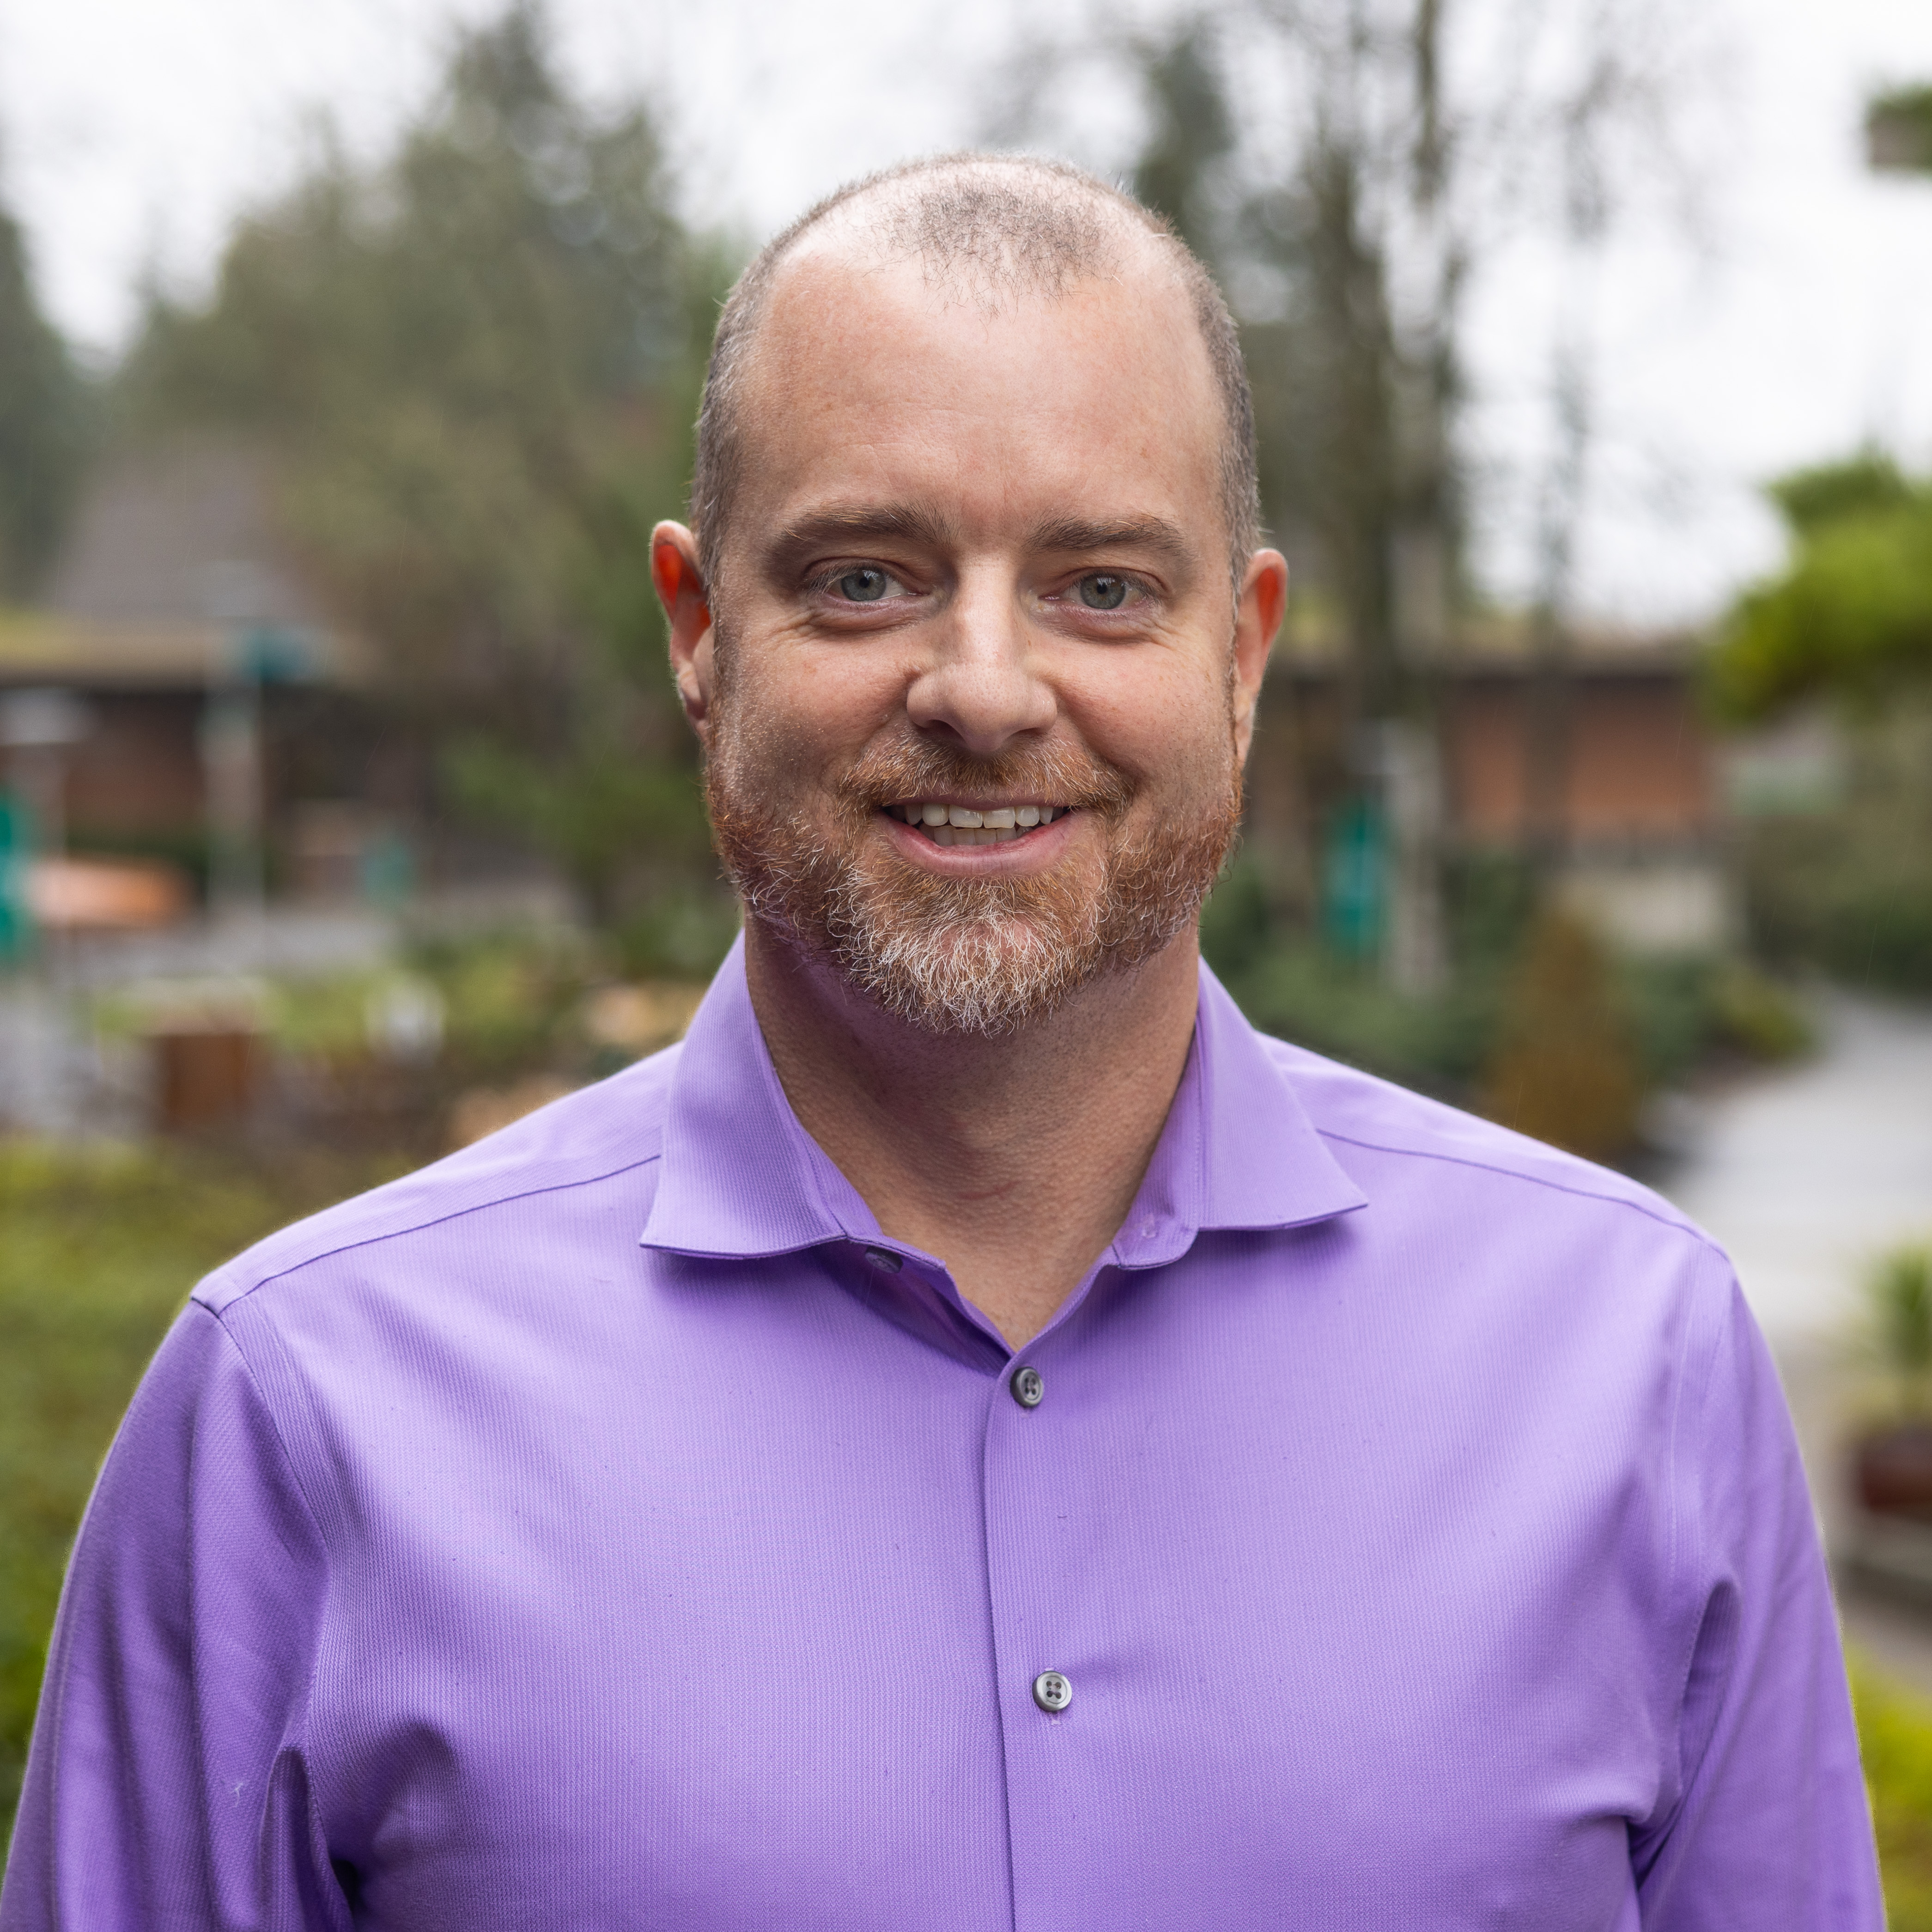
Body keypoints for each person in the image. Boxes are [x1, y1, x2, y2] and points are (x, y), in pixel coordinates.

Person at [1, 155, 1880, 1931]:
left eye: (1101, 586)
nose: (984, 688)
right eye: (866, 576)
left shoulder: (1631, 1360)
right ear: (694, 627)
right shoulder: (302, 1410)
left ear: (1240, 648)